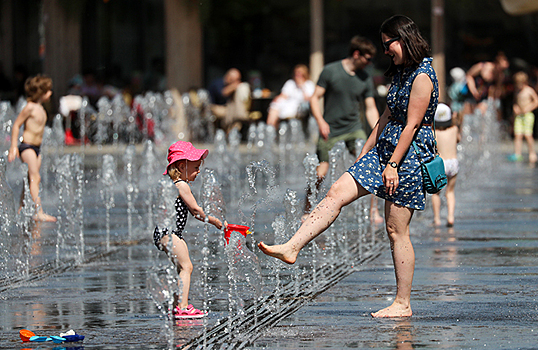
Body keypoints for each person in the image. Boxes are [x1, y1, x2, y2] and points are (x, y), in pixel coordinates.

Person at [259, 15, 438, 318]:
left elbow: (411, 126)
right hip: (383, 149)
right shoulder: (402, 72)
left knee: (396, 230)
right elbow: (384, 118)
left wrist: (393, 164)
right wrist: (365, 154)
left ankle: (402, 303)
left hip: (407, 156)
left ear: (404, 38)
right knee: (336, 192)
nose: (385, 51)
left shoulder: (422, 75)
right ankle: (292, 246)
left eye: (388, 44)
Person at [305, 35, 382, 222]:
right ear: (356, 54)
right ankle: (307, 208)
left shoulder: (365, 78)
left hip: (354, 128)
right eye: (368, 59)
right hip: (331, 128)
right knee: (320, 173)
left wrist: (379, 131)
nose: (370, 63)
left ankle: (373, 212)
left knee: (369, 167)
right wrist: (320, 121)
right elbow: (315, 98)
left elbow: (370, 108)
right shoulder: (331, 71)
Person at [154, 141, 226, 319]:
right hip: (169, 233)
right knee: (186, 266)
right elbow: (195, 210)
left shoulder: (171, 184)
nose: (198, 171)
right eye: (195, 167)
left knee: (183, 267)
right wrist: (213, 220)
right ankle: (183, 307)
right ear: (181, 166)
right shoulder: (181, 185)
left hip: (167, 233)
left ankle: (178, 302)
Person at [8, 75, 56, 222]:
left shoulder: (41, 108)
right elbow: (16, 125)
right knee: (36, 177)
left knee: (30, 180)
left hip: (36, 148)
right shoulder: (29, 107)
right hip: (27, 147)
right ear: (40, 92)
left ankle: (21, 208)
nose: (51, 93)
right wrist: (13, 147)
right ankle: (39, 211)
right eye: (48, 90)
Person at [431, 103, 460, 227]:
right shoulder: (454, 130)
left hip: (440, 164)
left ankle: (437, 219)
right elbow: (458, 139)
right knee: (450, 192)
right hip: (453, 163)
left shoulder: (433, 132)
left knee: (436, 193)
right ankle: (450, 217)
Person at [266, 64, 315, 129]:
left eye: (299, 73)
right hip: (287, 103)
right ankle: (270, 128)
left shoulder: (309, 84)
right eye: (296, 74)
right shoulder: (290, 83)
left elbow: (308, 98)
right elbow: (284, 95)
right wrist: (277, 99)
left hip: (300, 105)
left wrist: (302, 87)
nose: (297, 76)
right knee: (274, 107)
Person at [508, 71, 538, 163]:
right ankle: (517, 153)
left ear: (525, 82)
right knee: (518, 134)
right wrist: (515, 107)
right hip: (519, 115)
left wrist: (529, 108)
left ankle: (532, 153)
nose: (518, 86)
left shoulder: (529, 90)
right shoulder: (517, 91)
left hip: (527, 115)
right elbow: (515, 102)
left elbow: (536, 101)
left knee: (528, 134)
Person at [210, 68, 251, 133]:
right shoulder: (218, 83)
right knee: (233, 115)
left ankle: (230, 134)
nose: (238, 82)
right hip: (215, 107)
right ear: (229, 77)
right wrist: (234, 86)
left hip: (228, 108)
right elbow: (223, 93)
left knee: (236, 119)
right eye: (235, 80)